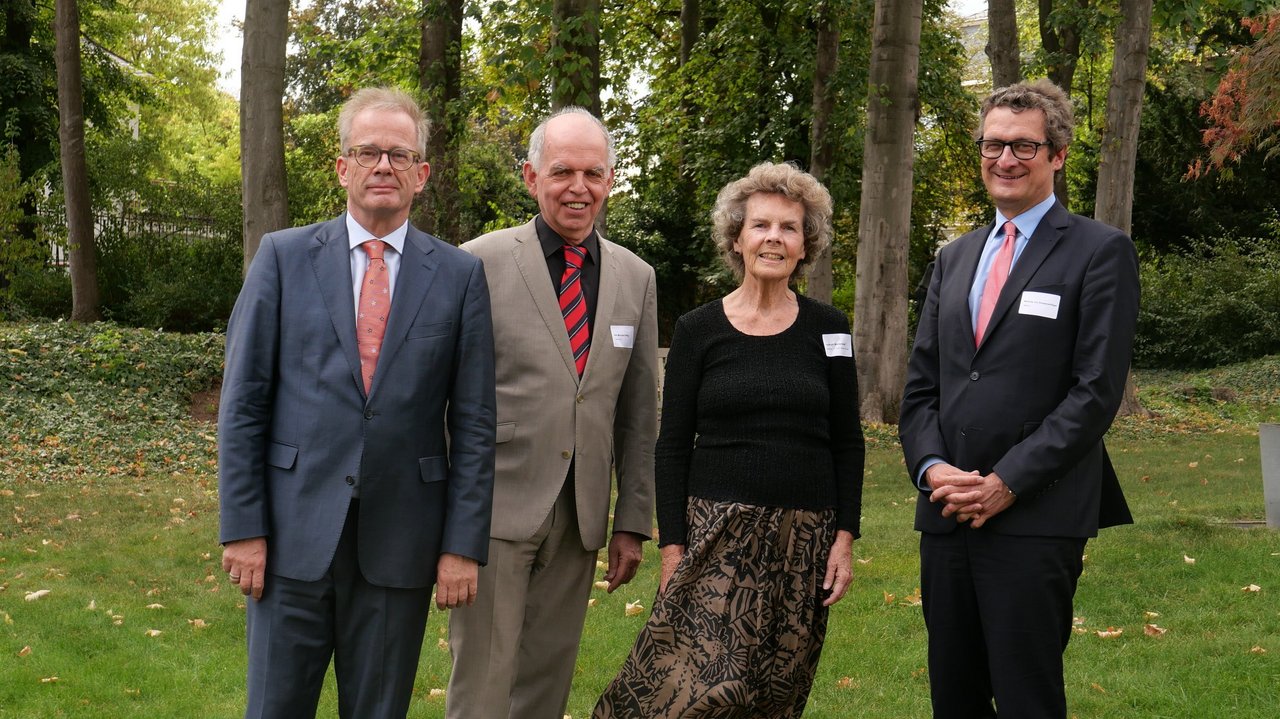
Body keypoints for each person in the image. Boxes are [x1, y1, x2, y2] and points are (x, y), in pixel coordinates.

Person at [218, 87, 496, 719]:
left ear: (421, 174)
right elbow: (243, 404)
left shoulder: (457, 276)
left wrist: (461, 546)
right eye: (368, 152)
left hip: (401, 540)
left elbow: (476, 423)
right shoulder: (283, 259)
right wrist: (243, 528)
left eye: (400, 155)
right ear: (342, 167)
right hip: (290, 536)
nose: (383, 167)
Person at [899, 79, 1139, 719]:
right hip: (947, 513)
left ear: (1058, 154)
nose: (1005, 159)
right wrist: (931, 470)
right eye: (994, 145)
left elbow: (1096, 392)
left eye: (1024, 146)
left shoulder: (1099, 251)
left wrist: (1007, 480)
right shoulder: (955, 257)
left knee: (1028, 695)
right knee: (954, 693)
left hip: (1036, 515)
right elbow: (922, 386)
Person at [594, 162, 865, 718]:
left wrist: (843, 540)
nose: (774, 238)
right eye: (760, 226)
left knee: (772, 695)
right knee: (681, 691)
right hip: (717, 532)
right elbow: (670, 445)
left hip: (803, 540)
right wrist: (672, 549)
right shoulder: (699, 329)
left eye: (789, 227)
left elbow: (848, 442)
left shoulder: (830, 327)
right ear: (737, 239)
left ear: (804, 243)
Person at [445, 107, 659, 719]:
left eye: (594, 173)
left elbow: (640, 413)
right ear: (530, 176)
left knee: (546, 683)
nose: (579, 187)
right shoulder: (476, 264)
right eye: (562, 171)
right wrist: (449, 512)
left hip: (580, 515)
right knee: (482, 684)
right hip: (493, 507)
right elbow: (443, 398)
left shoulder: (635, 277)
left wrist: (631, 521)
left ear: (611, 181)